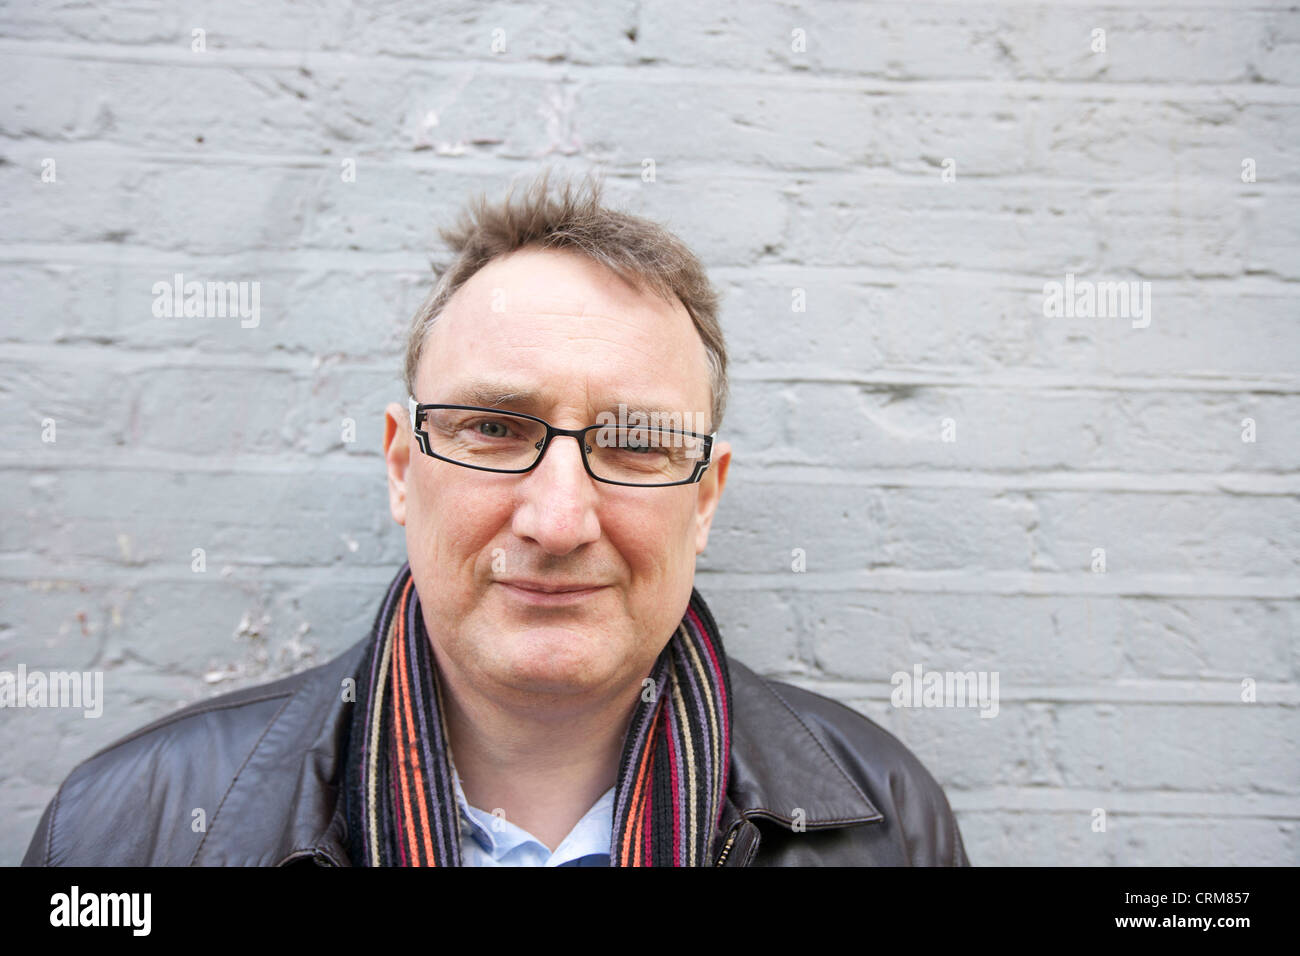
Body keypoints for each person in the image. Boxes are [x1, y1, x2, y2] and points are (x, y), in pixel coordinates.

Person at [22, 170, 970, 866]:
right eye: (491, 428)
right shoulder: (127, 834)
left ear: (706, 498)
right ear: (402, 469)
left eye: (636, 442)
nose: (559, 521)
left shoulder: (887, 825)